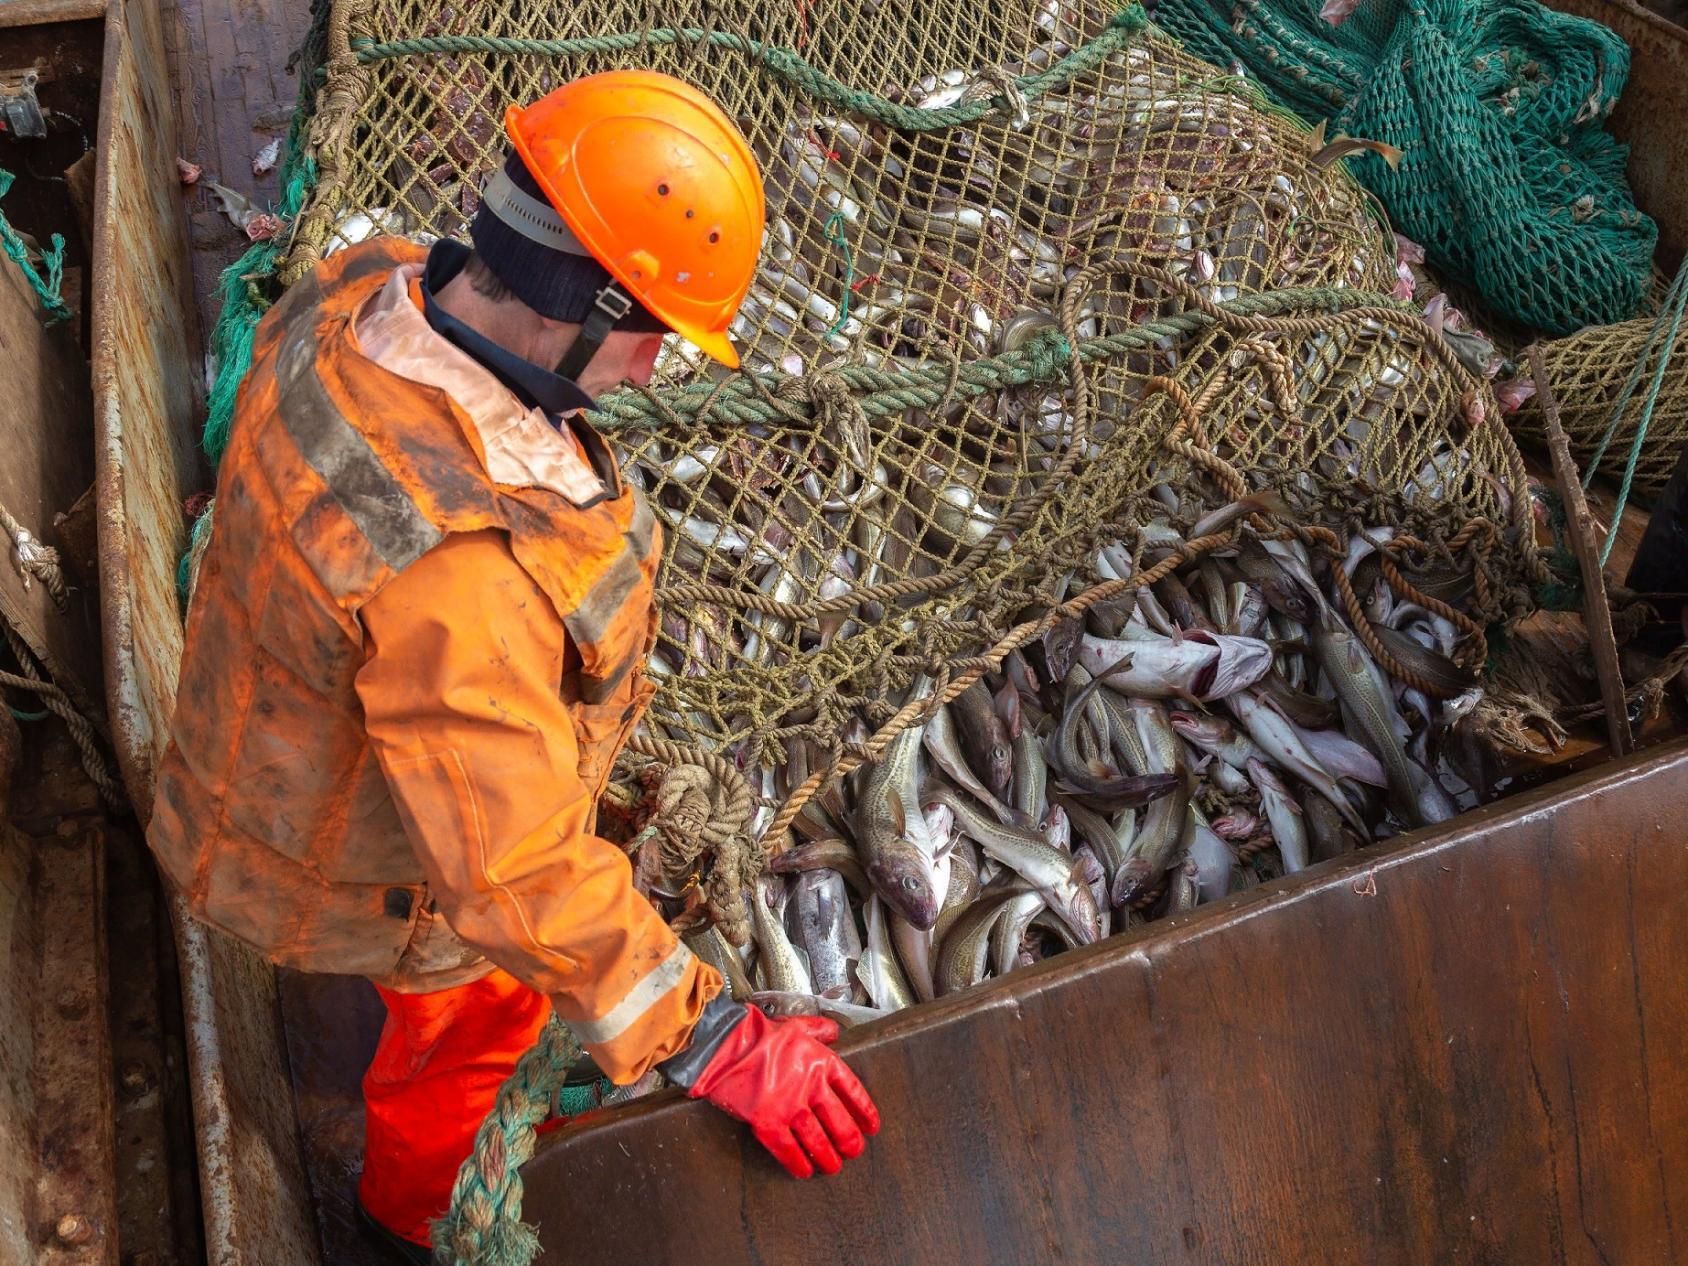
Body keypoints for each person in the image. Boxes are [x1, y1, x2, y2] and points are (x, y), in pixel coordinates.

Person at [148, 70, 879, 1263]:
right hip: (341, 864)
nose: (647, 374)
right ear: (579, 300)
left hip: (264, 735)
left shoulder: (363, 281)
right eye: (649, 333)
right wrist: (712, 1042)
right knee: (486, 1011)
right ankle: (409, 1216)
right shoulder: (461, 571)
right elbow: (511, 873)